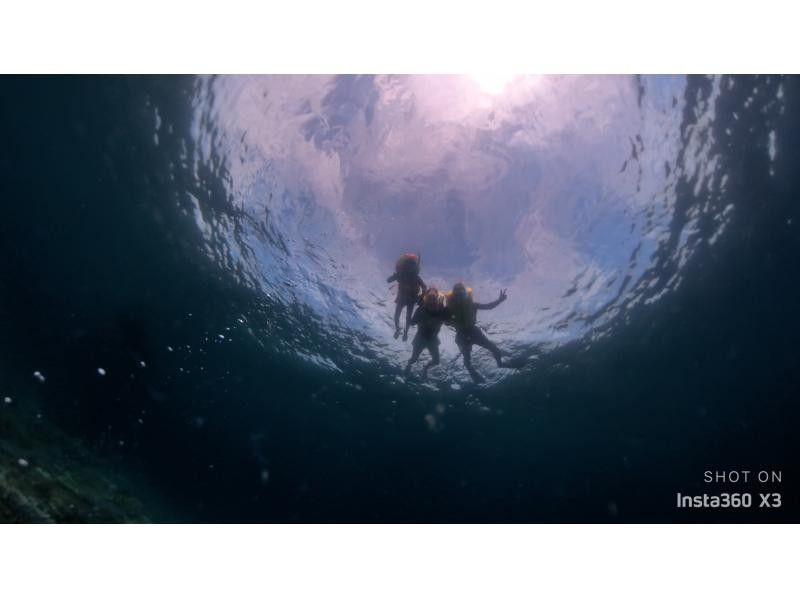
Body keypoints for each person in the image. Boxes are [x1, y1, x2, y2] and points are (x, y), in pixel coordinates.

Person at [445, 282, 508, 383]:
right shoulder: (449, 309)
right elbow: (442, 319)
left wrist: (499, 300)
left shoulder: (472, 304)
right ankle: (472, 372)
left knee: (494, 349)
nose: (460, 296)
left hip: (474, 332)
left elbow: (488, 306)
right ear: (453, 296)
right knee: (467, 359)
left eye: (461, 293)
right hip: (461, 335)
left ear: (465, 294)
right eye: (457, 294)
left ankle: (500, 364)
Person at [404, 287, 449, 379]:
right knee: (414, 359)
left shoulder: (442, 310)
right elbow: (412, 322)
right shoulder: (421, 309)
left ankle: (425, 368)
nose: (431, 300)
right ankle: (408, 366)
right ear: (426, 298)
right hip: (420, 338)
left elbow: (448, 322)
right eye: (429, 297)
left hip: (433, 339)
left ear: (437, 298)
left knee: (436, 361)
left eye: (433, 298)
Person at [386, 252, 426, 341]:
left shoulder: (415, 277)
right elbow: (388, 280)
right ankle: (399, 330)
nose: (410, 267)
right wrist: (395, 276)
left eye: (412, 265)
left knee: (407, 318)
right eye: (409, 265)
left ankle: (405, 333)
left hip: (410, 299)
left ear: (415, 267)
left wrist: (421, 297)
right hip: (403, 298)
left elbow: (424, 287)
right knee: (397, 316)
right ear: (405, 265)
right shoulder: (402, 274)